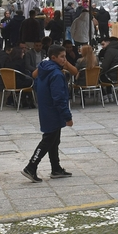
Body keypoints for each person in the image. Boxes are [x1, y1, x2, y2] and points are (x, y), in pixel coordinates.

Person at [22, 45, 76, 182]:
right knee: (47, 141)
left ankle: (56, 168)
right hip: (53, 112)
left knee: (54, 141)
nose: (65, 60)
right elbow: (59, 98)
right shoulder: (56, 74)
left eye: (65, 56)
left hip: (46, 109)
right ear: (53, 58)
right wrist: (67, 117)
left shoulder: (43, 69)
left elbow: (36, 84)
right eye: (62, 57)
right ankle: (31, 166)